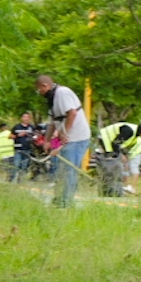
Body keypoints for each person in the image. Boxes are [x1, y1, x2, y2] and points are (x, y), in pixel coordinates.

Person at [35, 74, 91, 208]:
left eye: (39, 90)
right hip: (66, 138)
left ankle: (65, 202)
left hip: (77, 137)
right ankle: (60, 198)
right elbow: (52, 123)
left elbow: (72, 113)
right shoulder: (52, 99)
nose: (39, 93)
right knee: (60, 168)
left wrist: (63, 133)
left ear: (45, 86)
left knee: (68, 170)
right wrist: (47, 141)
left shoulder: (62, 93)